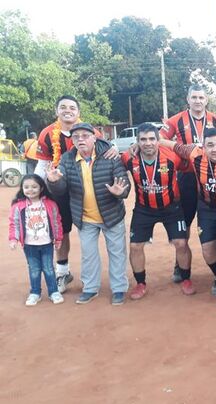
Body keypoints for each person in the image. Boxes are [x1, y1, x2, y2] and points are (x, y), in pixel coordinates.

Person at [46, 123, 130, 305]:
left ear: (94, 137)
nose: (81, 139)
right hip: (85, 217)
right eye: (76, 137)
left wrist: (120, 192)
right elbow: (61, 189)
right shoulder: (67, 159)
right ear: (72, 140)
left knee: (117, 253)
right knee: (89, 255)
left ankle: (118, 289)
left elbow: (124, 183)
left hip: (112, 215)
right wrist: (54, 182)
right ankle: (90, 288)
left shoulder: (110, 155)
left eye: (85, 136)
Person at [35, 95, 108, 294]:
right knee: (61, 231)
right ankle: (63, 272)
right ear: (57, 110)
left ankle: (92, 277)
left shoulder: (91, 131)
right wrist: (35, 191)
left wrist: (115, 149)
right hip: (58, 190)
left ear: (78, 111)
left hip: (87, 189)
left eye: (72, 107)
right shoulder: (47, 133)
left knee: (90, 229)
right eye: (63, 107)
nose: (68, 110)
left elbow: (107, 150)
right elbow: (42, 165)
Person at [164, 128, 216, 295]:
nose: (215, 149)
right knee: (208, 250)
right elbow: (169, 143)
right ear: (203, 147)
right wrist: (139, 145)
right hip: (208, 208)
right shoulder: (194, 153)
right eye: (210, 145)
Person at [122, 123, 195, 300]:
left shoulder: (172, 157)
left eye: (151, 139)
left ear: (158, 140)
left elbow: (193, 163)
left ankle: (186, 279)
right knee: (135, 246)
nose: (148, 143)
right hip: (143, 209)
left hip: (172, 207)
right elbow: (113, 167)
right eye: (143, 140)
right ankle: (140, 283)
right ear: (137, 142)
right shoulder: (128, 158)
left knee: (181, 243)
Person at [161, 84, 216, 283]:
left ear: (206, 100)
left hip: (211, 176)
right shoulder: (175, 120)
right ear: (188, 99)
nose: (198, 101)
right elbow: (159, 139)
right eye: (194, 97)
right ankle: (180, 265)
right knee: (185, 223)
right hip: (187, 177)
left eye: (201, 97)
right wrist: (180, 150)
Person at [8, 174, 64, 306]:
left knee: (49, 268)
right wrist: (13, 239)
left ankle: (53, 292)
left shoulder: (51, 204)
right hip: (29, 245)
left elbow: (57, 222)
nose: (30, 190)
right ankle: (35, 293)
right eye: (26, 187)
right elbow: (14, 223)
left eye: (34, 187)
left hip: (46, 244)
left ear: (41, 188)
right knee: (34, 269)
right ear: (22, 188)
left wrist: (58, 238)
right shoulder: (18, 206)